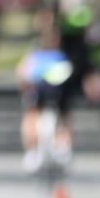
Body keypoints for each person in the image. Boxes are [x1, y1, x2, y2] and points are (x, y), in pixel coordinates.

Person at [17, 13, 74, 173]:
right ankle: (36, 150)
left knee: (53, 115)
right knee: (34, 114)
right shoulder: (38, 55)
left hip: (52, 89)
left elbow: (22, 73)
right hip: (43, 89)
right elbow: (22, 73)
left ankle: (55, 146)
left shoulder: (53, 55)